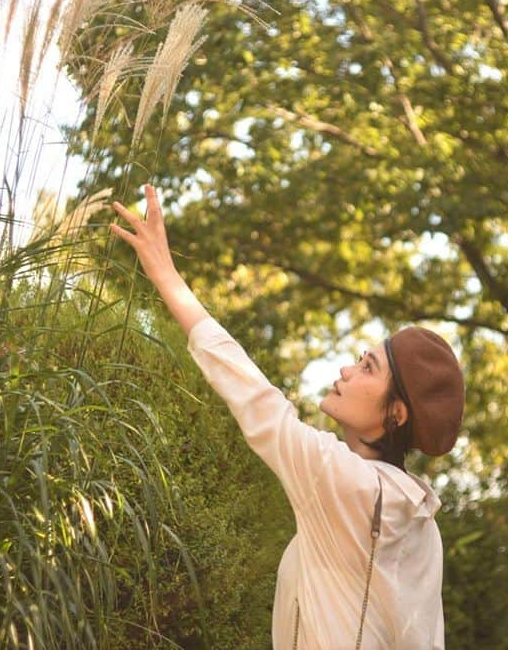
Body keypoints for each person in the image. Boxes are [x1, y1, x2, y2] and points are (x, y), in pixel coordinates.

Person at [110, 185, 465, 649]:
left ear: (396, 414)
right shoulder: (421, 521)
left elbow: (257, 401)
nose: (346, 370)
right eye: (360, 358)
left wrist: (164, 273)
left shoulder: (340, 481)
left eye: (368, 368)